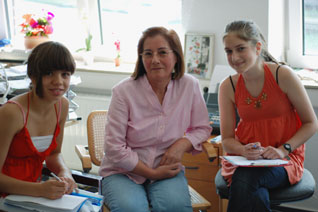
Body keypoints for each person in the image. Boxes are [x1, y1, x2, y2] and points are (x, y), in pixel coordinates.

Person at [99, 26, 212, 211]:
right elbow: (113, 147)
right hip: (122, 172)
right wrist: (152, 173)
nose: (155, 60)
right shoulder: (123, 91)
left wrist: (181, 144)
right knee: (132, 208)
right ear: (141, 58)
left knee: (174, 206)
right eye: (148, 54)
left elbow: (202, 128)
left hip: (167, 169)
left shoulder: (189, 85)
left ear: (176, 56)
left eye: (162, 52)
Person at [218, 20, 318, 212]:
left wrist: (283, 149)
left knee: (246, 180)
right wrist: (243, 150)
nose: (234, 57)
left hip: (285, 159)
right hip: (245, 160)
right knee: (254, 191)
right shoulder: (227, 86)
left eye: (240, 49)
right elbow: (228, 140)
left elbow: (311, 123)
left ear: (257, 47)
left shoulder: (283, 75)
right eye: (229, 51)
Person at [0, 41, 77, 200]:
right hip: (7, 197)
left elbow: (54, 154)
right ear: (33, 76)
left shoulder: (62, 106)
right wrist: (39, 190)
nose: (59, 82)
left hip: (33, 195)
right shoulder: (12, 113)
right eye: (49, 73)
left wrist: (65, 172)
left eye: (65, 74)